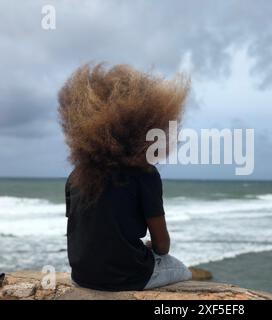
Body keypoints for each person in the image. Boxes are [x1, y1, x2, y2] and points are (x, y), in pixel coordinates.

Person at [59, 63, 192, 291]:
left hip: (80, 276)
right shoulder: (145, 173)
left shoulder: (76, 175)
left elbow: (84, 231)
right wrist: (152, 248)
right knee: (185, 272)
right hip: (128, 278)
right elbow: (162, 245)